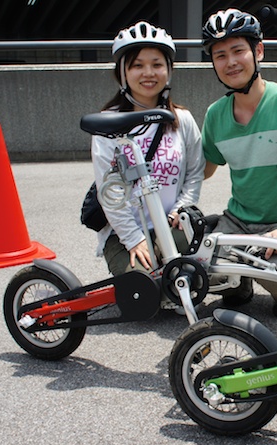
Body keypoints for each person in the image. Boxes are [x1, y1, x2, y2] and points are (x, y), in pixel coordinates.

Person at [201, 9, 277, 318]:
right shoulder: (215, 114)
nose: (230, 62)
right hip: (237, 222)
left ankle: (269, 280)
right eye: (220, 55)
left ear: (258, 51)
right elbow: (203, 170)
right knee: (204, 275)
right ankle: (239, 283)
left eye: (238, 50)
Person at [90, 21, 205, 280]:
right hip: (125, 232)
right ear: (123, 72)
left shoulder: (182, 119)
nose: (148, 73)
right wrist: (133, 239)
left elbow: (195, 173)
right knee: (146, 288)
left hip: (170, 226)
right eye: (137, 65)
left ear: (168, 70)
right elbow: (109, 191)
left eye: (156, 64)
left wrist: (181, 209)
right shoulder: (107, 123)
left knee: (197, 275)